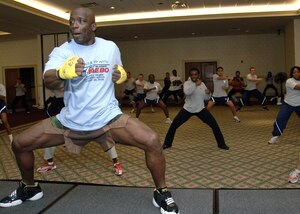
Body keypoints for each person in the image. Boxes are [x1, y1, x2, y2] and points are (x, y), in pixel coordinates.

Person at [0, 7, 179, 214]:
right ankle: (29, 188)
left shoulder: (110, 47)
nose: (74, 25)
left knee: (152, 141)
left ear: (93, 26)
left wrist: (120, 75)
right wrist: (62, 72)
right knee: (20, 144)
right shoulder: (63, 51)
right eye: (71, 21)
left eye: (80, 21)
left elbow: (118, 71)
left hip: (108, 118)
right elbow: (48, 78)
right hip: (71, 120)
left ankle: (162, 191)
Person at [38, 89, 124, 176]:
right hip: (72, 124)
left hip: (89, 123)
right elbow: (51, 112)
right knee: (51, 137)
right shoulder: (63, 97)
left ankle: (116, 163)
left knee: (106, 139)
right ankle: (49, 163)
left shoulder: (85, 95)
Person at [163, 68, 229, 150]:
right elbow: (187, 92)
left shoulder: (202, 84)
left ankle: (221, 144)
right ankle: (167, 144)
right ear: (190, 75)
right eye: (192, 74)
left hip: (200, 109)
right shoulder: (187, 83)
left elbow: (206, 98)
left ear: (198, 75)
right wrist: (196, 85)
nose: (194, 76)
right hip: (187, 109)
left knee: (214, 125)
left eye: (195, 74)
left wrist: (208, 93)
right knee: (174, 126)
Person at [268, 66, 300, 145]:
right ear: (292, 74)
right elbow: (298, 87)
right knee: (280, 119)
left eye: (297, 72)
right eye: (294, 72)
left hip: (299, 104)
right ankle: (275, 137)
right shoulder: (289, 81)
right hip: (288, 104)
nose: (296, 73)